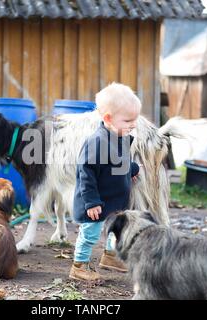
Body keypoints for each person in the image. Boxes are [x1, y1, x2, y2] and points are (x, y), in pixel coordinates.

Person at [69, 82, 141, 281]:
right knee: (90, 234)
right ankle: (79, 265)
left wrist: (132, 169)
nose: (133, 124)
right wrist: (91, 202)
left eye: (135, 119)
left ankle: (110, 257)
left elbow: (120, 160)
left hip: (115, 202)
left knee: (115, 229)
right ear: (108, 118)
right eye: (128, 120)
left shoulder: (118, 136)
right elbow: (86, 173)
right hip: (96, 203)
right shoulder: (98, 141)